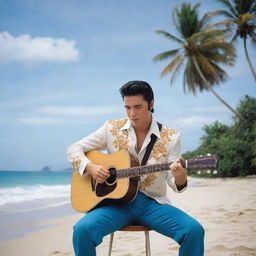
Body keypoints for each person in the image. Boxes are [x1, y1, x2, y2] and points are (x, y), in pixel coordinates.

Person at [67, 80, 204, 256]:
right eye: (127, 107)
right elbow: (73, 149)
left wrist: (180, 176)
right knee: (81, 230)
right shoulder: (111, 128)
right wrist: (90, 167)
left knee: (193, 230)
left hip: (152, 204)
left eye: (138, 107)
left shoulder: (171, 137)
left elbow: (174, 182)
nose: (132, 114)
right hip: (115, 205)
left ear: (151, 104)